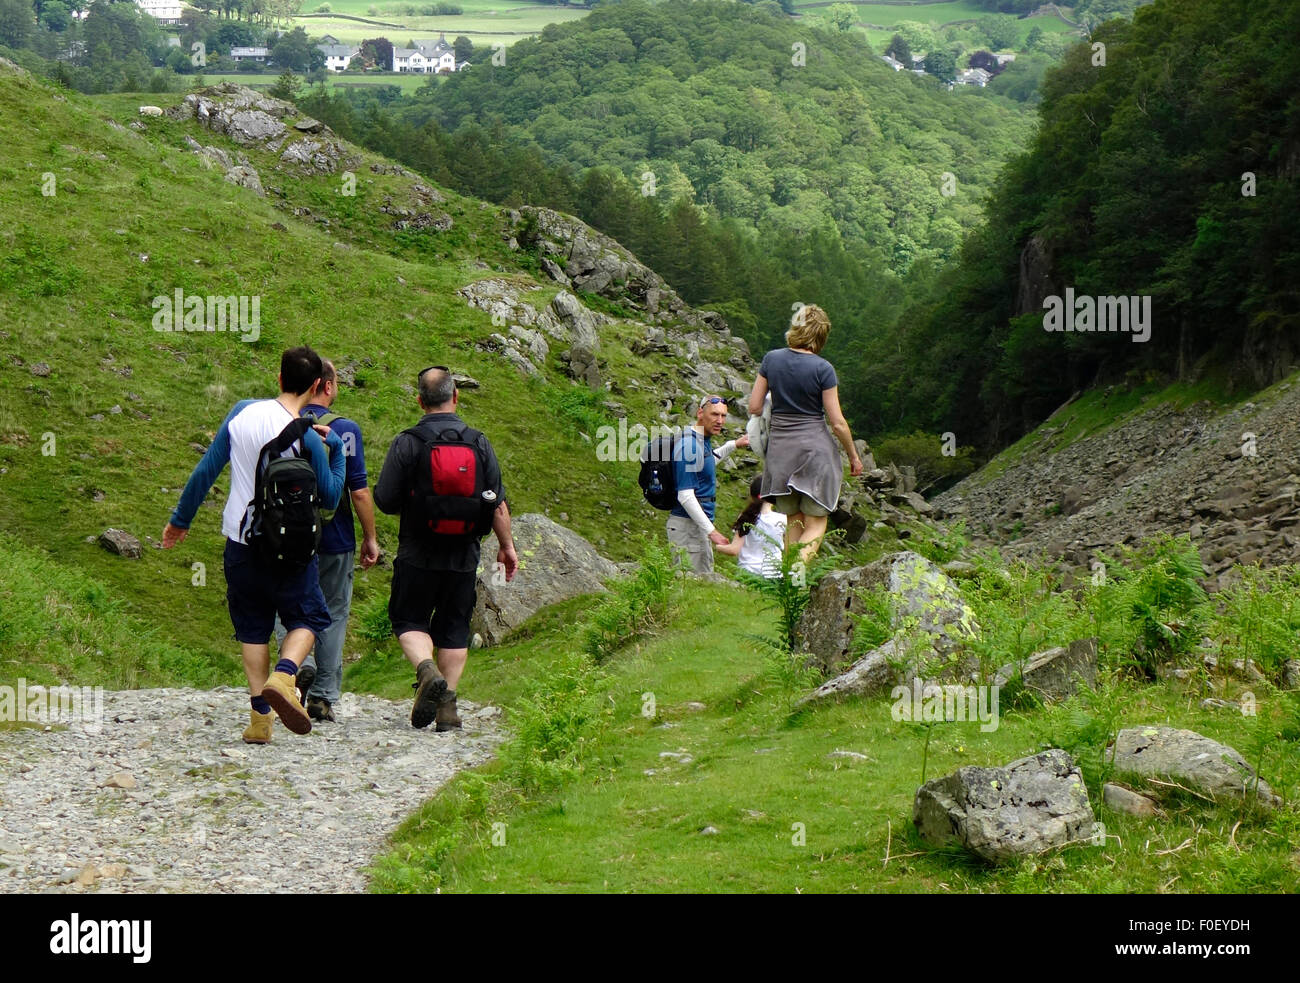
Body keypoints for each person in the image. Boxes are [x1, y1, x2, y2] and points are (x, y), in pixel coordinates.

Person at [162, 346, 347, 744]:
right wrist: (337, 455)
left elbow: (206, 470)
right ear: (317, 386)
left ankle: (259, 721)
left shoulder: (241, 413)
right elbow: (331, 499)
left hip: (242, 544)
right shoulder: (308, 436)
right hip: (292, 550)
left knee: (253, 629)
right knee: (309, 618)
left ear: (278, 378)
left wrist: (180, 521)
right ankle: (284, 675)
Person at [373, 366, 518, 731]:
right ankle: (448, 707)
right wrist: (507, 546)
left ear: (420, 401)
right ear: (456, 397)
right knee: (454, 628)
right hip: (463, 554)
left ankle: (425, 671)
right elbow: (497, 503)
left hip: (417, 551)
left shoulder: (407, 442)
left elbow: (386, 500)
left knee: (409, 619)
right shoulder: (478, 442)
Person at [272, 358, 380, 723]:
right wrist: (370, 538)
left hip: (285, 537)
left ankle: (296, 667)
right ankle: (322, 697)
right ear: (328, 386)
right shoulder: (345, 430)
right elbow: (360, 492)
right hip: (334, 539)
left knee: (287, 607)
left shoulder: (279, 422)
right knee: (333, 613)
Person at [748, 304, 863, 562]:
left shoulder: (771, 359)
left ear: (795, 327)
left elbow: (754, 406)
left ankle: (789, 584)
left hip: (780, 455)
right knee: (815, 522)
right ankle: (797, 577)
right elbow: (838, 424)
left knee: (794, 523)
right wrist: (854, 456)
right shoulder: (823, 369)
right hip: (815, 454)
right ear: (821, 335)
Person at [666, 395, 749, 574]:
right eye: (715, 415)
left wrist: (733, 445)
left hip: (694, 527)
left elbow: (706, 463)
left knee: (702, 581)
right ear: (700, 413)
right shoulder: (690, 445)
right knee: (691, 585)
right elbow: (685, 495)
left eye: (724, 416)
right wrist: (712, 532)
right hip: (687, 529)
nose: (720, 421)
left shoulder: (700, 440)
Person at [715, 476, 787, 579]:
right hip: (774, 576)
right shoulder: (782, 519)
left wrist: (718, 547)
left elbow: (733, 550)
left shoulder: (745, 516)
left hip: (747, 574)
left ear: (751, 495)